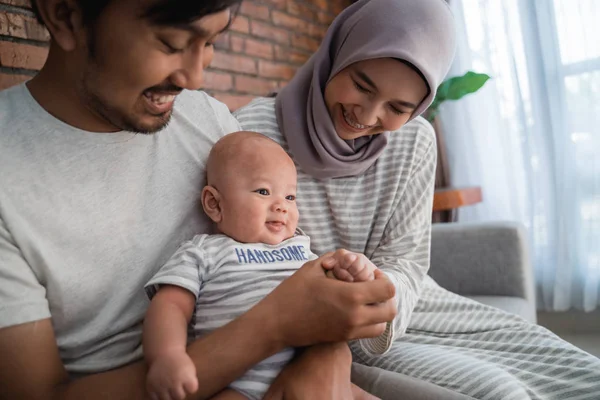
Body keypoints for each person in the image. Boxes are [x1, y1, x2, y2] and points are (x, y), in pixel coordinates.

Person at [0, 1, 398, 399]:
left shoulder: (206, 119)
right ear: (65, 15)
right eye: (172, 43)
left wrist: (325, 359)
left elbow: (301, 284)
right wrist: (276, 326)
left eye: (210, 42)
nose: (193, 77)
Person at [235, 0, 600, 399]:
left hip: (405, 311)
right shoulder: (251, 133)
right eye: (361, 85)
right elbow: (236, 257)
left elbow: (406, 259)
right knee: (501, 390)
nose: (368, 115)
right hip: (317, 331)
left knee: (579, 372)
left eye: (398, 107)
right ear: (337, 53)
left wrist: (380, 298)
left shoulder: (413, 140)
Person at [143, 131, 379, 400]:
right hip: (239, 385)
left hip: (315, 373)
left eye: (290, 197)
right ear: (214, 203)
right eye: (263, 191)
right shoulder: (205, 252)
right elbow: (170, 305)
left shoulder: (301, 249)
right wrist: (167, 355)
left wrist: (354, 271)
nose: (281, 206)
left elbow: (333, 296)